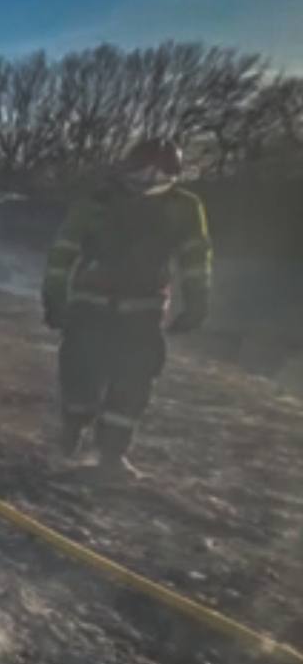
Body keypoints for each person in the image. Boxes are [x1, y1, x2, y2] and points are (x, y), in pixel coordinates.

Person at [42, 137, 213, 480]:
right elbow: (63, 251)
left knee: (134, 381)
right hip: (90, 304)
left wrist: (198, 301)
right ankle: (73, 428)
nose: (147, 181)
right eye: (141, 172)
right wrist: (54, 298)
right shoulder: (96, 202)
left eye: (159, 174)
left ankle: (111, 453)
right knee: (80, 373)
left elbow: (195, 257)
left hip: (144, 309)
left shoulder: (184, 207)